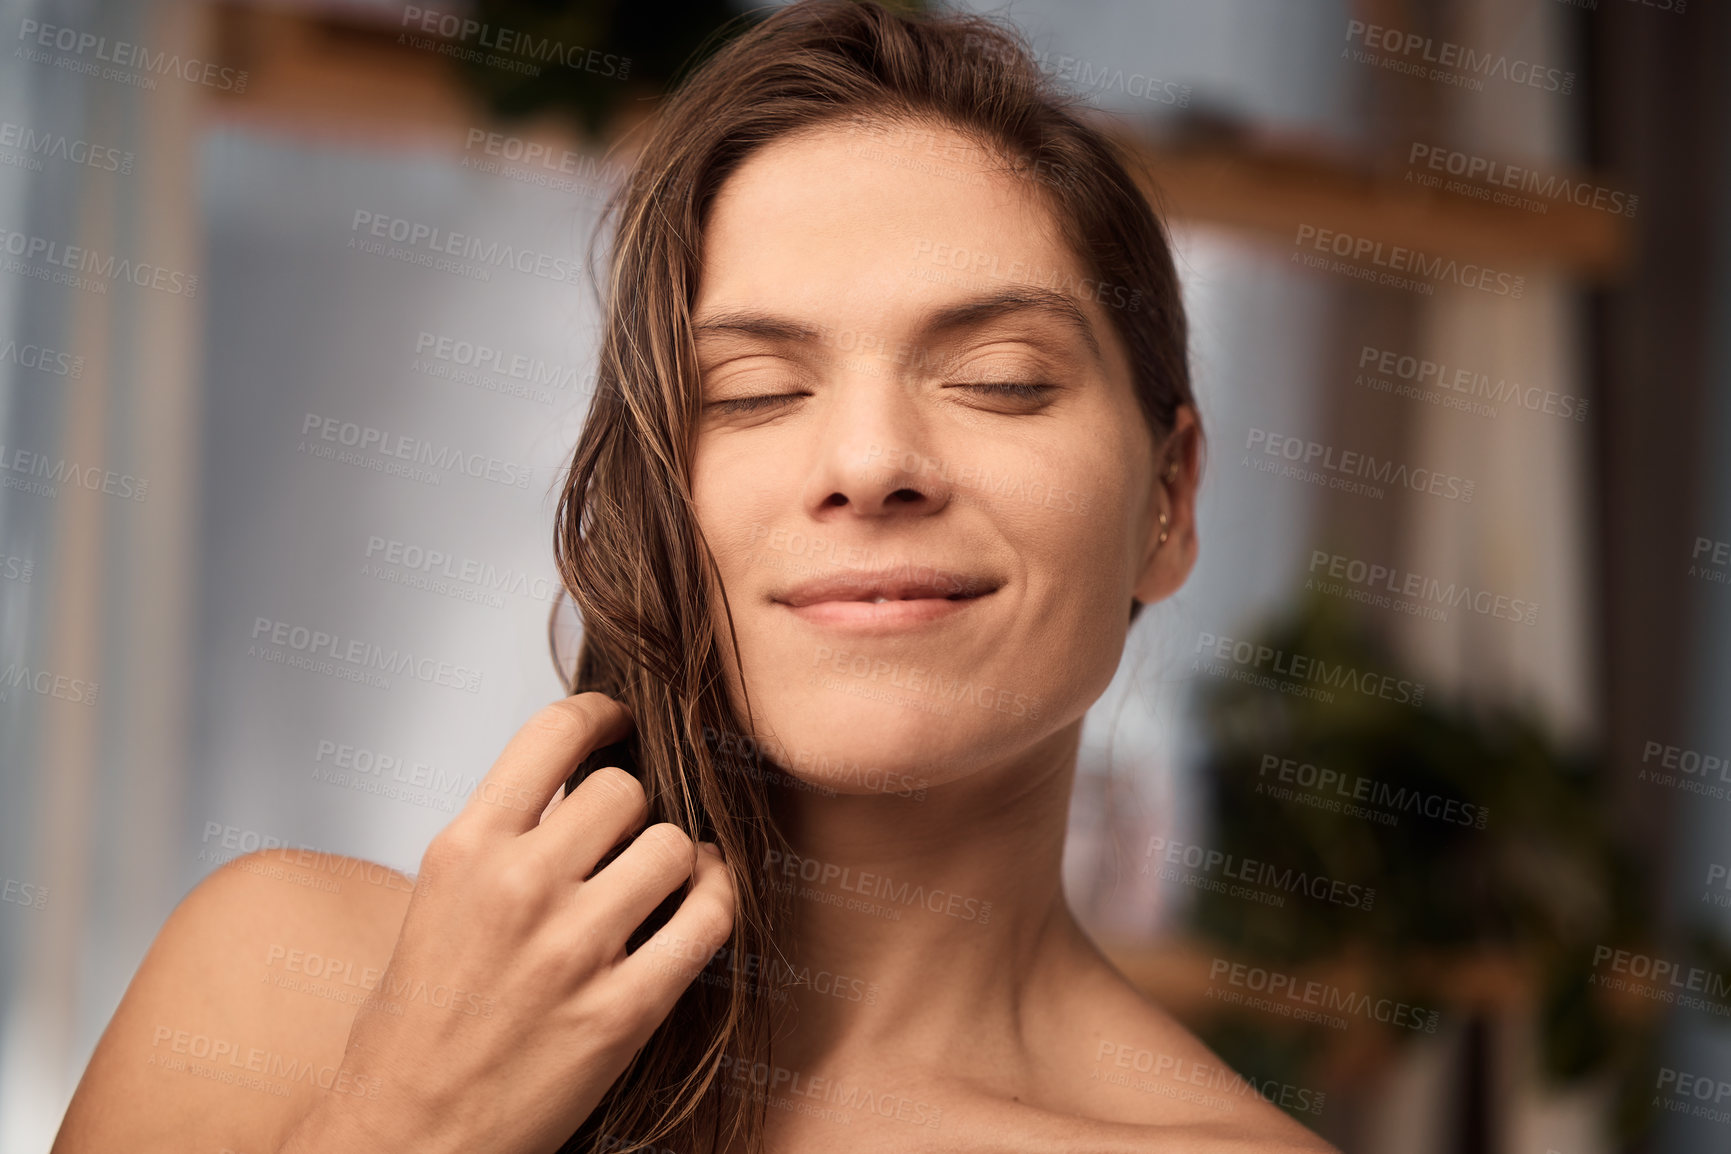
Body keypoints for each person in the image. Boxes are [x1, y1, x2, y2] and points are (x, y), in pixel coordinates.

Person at [51, 3, 1336, 1152]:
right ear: (660, 495)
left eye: (999, 377)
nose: (873, 460)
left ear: (1168, 501)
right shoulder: (284, 985)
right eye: (755, 391)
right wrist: (410, 1118)